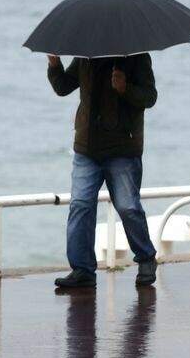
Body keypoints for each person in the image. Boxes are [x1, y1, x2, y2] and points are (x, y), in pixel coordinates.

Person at [48, 53, 159, 288]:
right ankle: (83, 270)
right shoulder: (86, 55)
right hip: (87, 148)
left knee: (128, 207)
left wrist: (124, 88)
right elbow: (63, 86)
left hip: (123, 148)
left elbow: (150, 97)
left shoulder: (137, 56)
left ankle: (146, 258)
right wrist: (55, 65)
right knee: (80, 205)